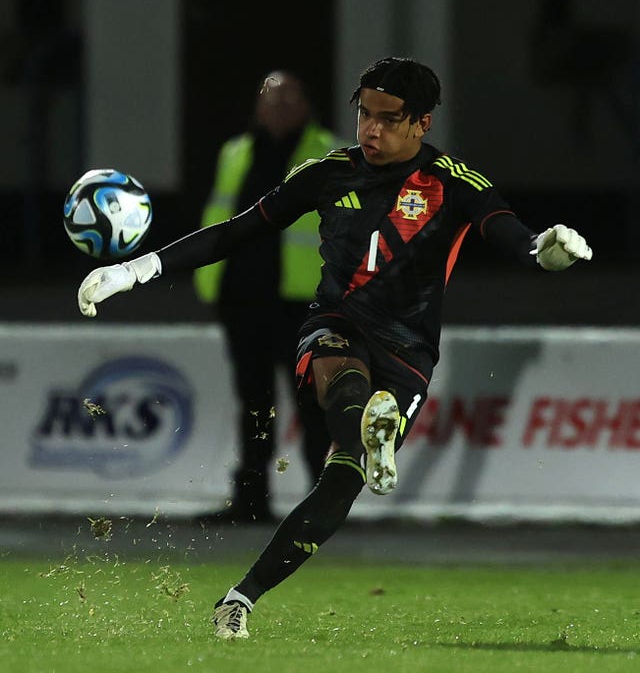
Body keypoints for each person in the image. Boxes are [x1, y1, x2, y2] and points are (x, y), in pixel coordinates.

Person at [77, 57, 593, 640]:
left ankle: (240, 595)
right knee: (340, 378)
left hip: (409, 349)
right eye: (363, 115)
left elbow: (509, 232)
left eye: (388, 120)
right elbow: (236, 230)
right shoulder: (328, 172)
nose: (370, 130)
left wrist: (542, 253)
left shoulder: (454, 182)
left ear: (422, 123)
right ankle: (371, 429)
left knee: (341, 478)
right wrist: (137, 270)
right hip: (335, 321)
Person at [193, 70, 335, 524]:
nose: (277, 107)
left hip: (301, 301)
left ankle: (321, 503)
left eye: (288, 99)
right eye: (270, 100)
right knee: (254, 402)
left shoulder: (328, 152)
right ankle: (251, 499)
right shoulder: (234, 152)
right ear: (257, 107)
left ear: (305, 106)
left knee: (311, 404)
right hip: (242, 296)